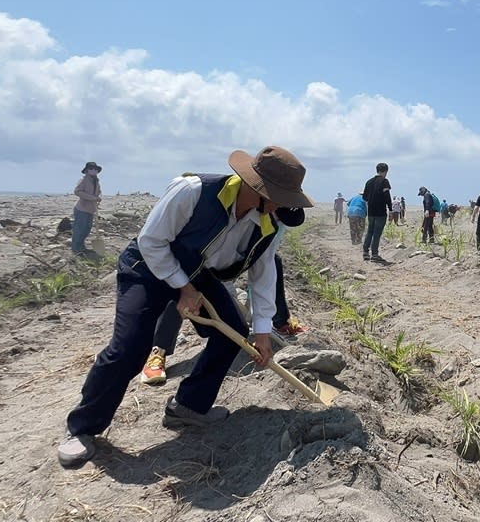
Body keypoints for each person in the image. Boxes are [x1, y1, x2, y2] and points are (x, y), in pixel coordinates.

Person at [57, 146, 313, 468]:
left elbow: (263, 281)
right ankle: (81, 427)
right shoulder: (193, 191)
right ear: (254, 187)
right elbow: (151, 240)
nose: (280, 207)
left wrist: (262, 333)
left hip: (197, 273)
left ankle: (188, 406)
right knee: (130, 349)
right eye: (278, 197)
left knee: (233, 332)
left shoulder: (266, 226)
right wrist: (184, 288)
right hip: (147, 267)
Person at [140, 207, 308, 385]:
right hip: (191, 264)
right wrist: (190, 289)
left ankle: (280, 322)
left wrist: (261, 326)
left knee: (234, 322)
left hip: (220, 276)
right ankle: (158, 352)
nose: (277, 221)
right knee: (179, 296)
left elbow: (262, 275)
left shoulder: (270, 229)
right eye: (277, 216)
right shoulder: (231, 215)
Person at [361, 162, 391, 263]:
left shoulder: (369, 182)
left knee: (370, 231)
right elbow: (387, 197)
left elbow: (364, 197)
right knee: (377, 233)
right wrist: (390, 209)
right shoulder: (385, 181)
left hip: (371, 211)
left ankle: (365, 252)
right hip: (380, 212)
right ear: (385, 171)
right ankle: (374, 254)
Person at [72, 161, 102, 255]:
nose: (94, 171)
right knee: (80, 229)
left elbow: (99, 191)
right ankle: (76, 249)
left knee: (86, 229)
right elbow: (77, 191)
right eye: (91, 169)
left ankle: (82, 247)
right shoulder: (83, 180)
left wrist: (99, 197)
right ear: (87, 171)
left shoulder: (96, 181)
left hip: (91, 209)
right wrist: (92, 198)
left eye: (95, 169)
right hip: (82, 209)